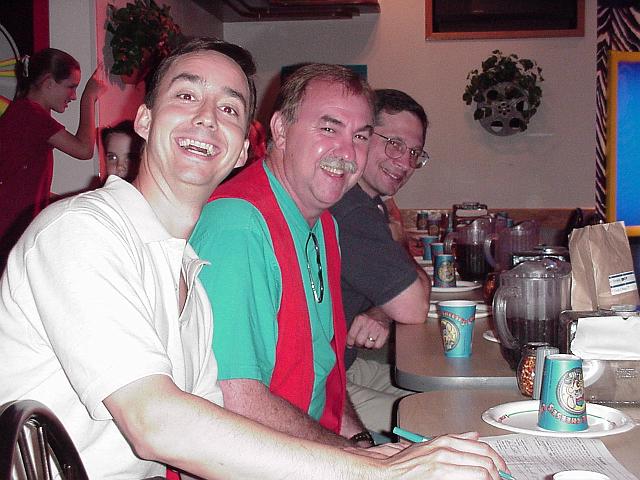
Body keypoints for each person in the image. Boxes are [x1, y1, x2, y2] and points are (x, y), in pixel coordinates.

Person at [0, 38, 508, 480]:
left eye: (228, 109)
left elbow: (215, 415)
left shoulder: (186, 272)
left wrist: (370, 454)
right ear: (146, 120)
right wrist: (373, 467)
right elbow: (156, 423)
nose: (206, 116)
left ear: (244, 147)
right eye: (186, 95)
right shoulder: (82, 231)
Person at [330, 89, 432, 436]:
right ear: (363, 135)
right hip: (321, 385)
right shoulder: (350, 207)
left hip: (344, 365)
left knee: (439, 399)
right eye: (394, 144)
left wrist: (380, 310)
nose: (404, 163)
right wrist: (400, 243)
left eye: (414, 153)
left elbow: (389, 291)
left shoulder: (367, 203)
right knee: (435, 419)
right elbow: (415, 305)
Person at [0, 48, 105, 271]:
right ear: (49, 82)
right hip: (7, 232)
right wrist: (89, 97)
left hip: (11, 230)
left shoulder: (26, 115)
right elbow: (84, 149)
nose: (73, 96)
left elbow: (22, 184)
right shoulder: (31, 115)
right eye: (71, 86)